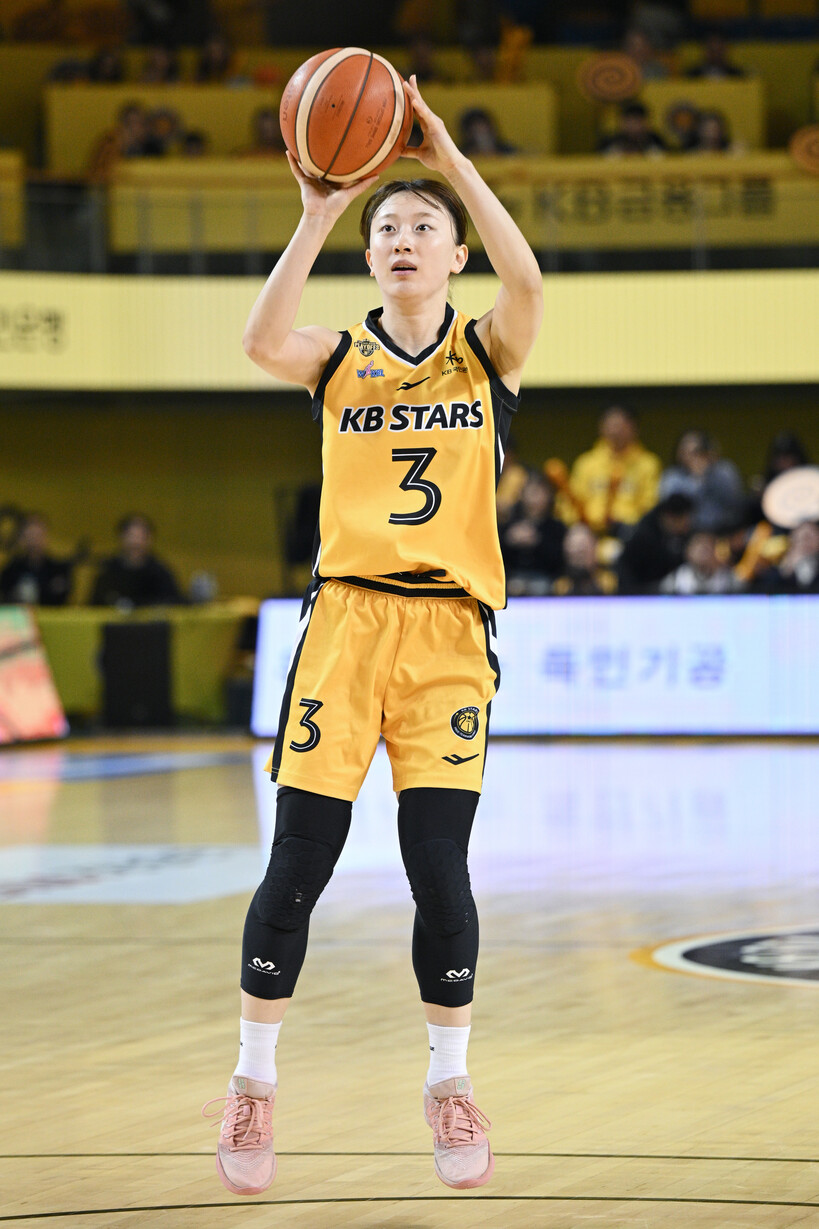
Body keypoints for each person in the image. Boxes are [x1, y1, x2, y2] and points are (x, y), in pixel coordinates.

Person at [203, 75, 543, 1197]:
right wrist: (316, 209)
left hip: (448, 634)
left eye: (423, 228)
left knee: (437, 865)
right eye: (387, 228)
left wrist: (451, 165)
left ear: (454, 256)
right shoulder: (337, 355)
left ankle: (450, 1081)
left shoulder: (487, 351)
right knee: (298, 861)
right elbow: (259, 338)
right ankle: (253, 1081)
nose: (403, 239)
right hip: (345, 622)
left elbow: (529, 281)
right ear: (370, 256)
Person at [556, 404, 661, 537]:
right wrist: (580, 523)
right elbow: (569, 503)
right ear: (601, 427)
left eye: (621, 425)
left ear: (634, 428)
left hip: (630, 533)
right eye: (611, 425)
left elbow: (650, 507)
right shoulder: (586, 463)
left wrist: (623, 523)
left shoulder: (648, 464)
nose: (615, 431)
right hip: (588, 532)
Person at [658, 429, 745, 532]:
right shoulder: (672, 476)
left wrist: (709, 473)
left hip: (725, 530)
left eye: (697, 451)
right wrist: (697, 479)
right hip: (687, 533)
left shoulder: (724, 470)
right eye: (685, 451)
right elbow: (674, 509)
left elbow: (735, 501)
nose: (691, 456)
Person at [90, 513, 182, 608]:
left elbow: (175, 603)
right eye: (131, 536)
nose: (136, 543)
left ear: (150, 540)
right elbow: (93, 607)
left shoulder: (160, 572)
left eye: (141, 537)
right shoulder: (108, 570)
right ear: (121, 537)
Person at [500, 472, 565, 595]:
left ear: (549, 496)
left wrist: (537, 542)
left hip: (545, 578)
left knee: (540, 587)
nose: (535, 498)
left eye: (540, 492)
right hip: (513, 577)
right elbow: (497, 557)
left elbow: (558, 560)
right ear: (522, 495)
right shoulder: (509, 525)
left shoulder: (556, 527)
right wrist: (509, 540)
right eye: (531, 492)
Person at [617, 491, 694, 593]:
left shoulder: (683, 536)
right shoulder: (643, 536)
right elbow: (626, 569)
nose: (687, 525)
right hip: (639, 592)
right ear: (670, 518)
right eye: (684, 520)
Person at [0, 513, 73, 606]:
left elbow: (62, 598)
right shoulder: (12, 569)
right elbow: (5, 597)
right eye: (30, 536)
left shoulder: (59, 570)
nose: (35, 541)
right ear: (22, 539)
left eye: (38, 535)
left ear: (46, 537)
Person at [660, 530, 743, 594]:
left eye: (707, 547)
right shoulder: (676, 579)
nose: (703, 552)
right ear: (688, 553)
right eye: (698, 547)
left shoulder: (729, 578)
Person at [551, 521, 617, 596]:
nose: (579, 559)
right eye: (573, 552)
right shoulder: (560, 589)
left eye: (582, 551)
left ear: (594, 548)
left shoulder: (610, 584)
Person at [598, 101, 668, 157]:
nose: (634, 125)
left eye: (638, 121)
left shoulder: (657, 142)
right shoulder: (609, 143)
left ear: (646, 123)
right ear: (621, 123)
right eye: (630, 121)